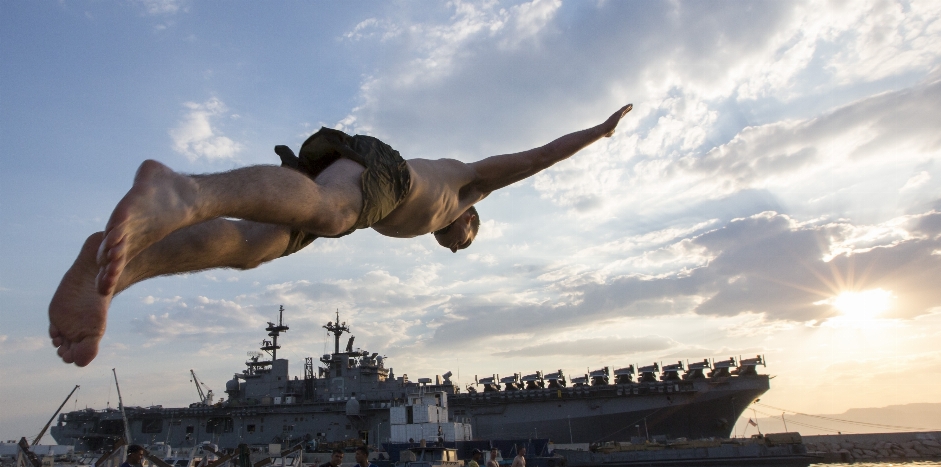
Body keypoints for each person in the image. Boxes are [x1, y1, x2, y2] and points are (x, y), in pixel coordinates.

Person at [48, 105, 634, 367]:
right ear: (471, 221)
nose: (453, 246)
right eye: (463, 243)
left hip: (351, 197)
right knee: (330, 212)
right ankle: (184, 193)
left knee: (254, 249)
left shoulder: (429, 218)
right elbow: (537, 158)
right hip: (383, 174)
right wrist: (597, 133)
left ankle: (115, 269)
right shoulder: (470, 188)